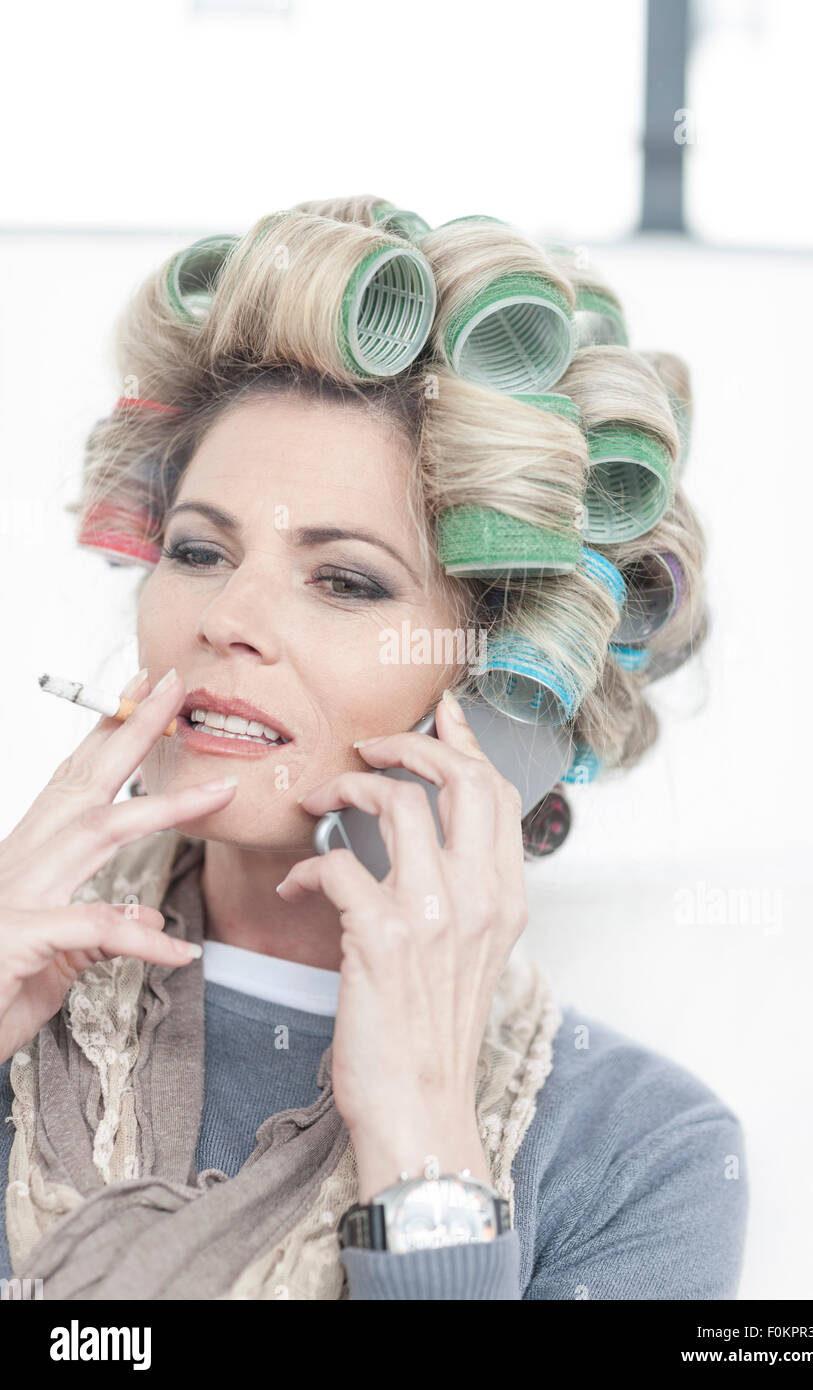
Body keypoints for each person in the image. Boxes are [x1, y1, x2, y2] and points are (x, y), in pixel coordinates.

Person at [0, 197, 747, 1300]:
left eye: (343, 580)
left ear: (507, 691)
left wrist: (423, 1155)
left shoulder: (642, 1151)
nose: (226, 618)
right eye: (199, 550)